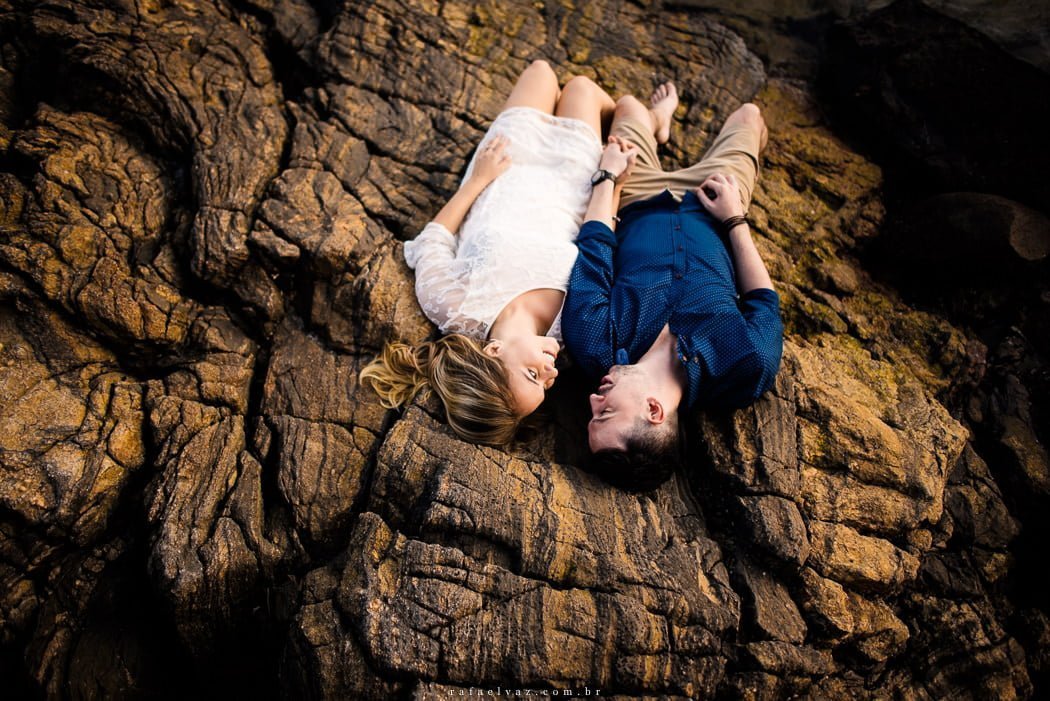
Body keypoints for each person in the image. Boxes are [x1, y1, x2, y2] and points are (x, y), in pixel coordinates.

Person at [361, 61, 656, 447]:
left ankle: (643, 120)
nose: (551, 372)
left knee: (541, 72)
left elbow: (432, 241)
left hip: (507, 166)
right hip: (574, 181)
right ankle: (650, 122)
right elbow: (598, 247)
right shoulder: (570, 331)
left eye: (534, 375)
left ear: (495, 351)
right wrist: (612, 179)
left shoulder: (454, 306)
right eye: (546, 386)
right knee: (582, 87)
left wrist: (479, 177)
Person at [563, 83, 783, 490]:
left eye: (593, 411)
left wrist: (608, 176)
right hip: (714, 202)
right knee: (749, 114)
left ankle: (658, 122)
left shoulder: (593, 344)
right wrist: (736, 219)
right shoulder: (744, 368)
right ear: (653, 410)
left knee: (628, 104)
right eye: (605, 413)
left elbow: (594, 249)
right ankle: (659, 124)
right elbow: (763, 300)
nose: (593, 400)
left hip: (636, 193)